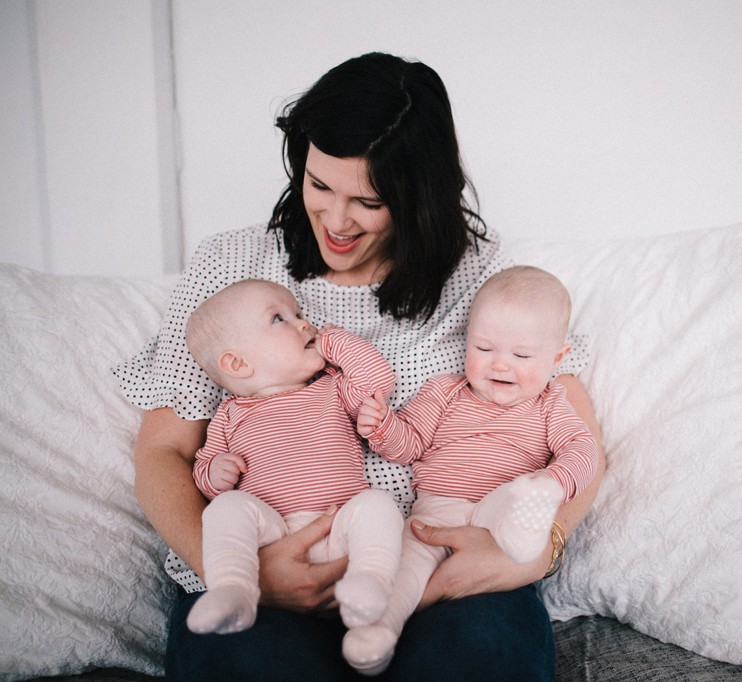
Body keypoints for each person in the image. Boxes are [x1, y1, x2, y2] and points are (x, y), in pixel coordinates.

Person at [115, 51, 605, 681]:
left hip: (442, 569)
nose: (337, 221)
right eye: (319, 186)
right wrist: (243, 574)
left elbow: (577, 437)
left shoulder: (483, 277)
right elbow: (161, 453)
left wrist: (534, 555)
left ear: (417, 195)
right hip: (266, 565)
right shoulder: (231, 264)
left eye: (368, 202)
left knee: (481, 663)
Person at [345, 265, 598, 674]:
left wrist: (552, 481)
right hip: (435, 511)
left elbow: (582, 450)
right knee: (403, 572)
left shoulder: (551, 404)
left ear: (557, 357)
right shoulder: (444, 391)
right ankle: (380, 632)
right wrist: (382, 426)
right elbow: (409, 444)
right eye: (484, 348)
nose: (500, 365)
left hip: (496, 517)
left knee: (515, 502)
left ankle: (525, 527)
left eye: (521, 355)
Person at [181, 278, 402, 637]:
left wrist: (333, 340)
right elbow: (203, 469)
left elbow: (378, 380)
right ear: (237, 363)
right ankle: (233, 587)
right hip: (272, 534)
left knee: (379, 504)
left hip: (340, 526)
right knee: (226, 508)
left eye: (299, 313)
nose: (303, 322)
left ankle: (370, 580)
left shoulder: (330, 387)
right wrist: (214, 473)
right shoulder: (229, 414)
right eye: (278, 318)